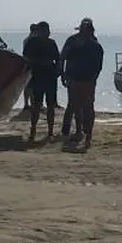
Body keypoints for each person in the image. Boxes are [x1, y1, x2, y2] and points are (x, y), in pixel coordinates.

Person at [59, 18, 103, 148]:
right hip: (73, 77)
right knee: (75, 105)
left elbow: (98, 65)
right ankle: (78, 131)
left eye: (87, 30)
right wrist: (62, 74)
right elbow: (63, 57)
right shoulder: (72, 41)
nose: (84, 33)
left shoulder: (95, 45)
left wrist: (94, 78)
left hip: (87, 78)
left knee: (88, 106)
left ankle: (88, 134)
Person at [20, 22, 62, 143]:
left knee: (50, 105)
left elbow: (57, 58)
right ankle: (33, 130)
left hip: (49, 76)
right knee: (37, 105)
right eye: (45, 30)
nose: (48, 33)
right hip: (38, 75)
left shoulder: (51, 43)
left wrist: (58, 71)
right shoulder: (32, 42)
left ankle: (50, 131)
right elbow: (26, 58)